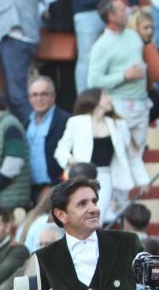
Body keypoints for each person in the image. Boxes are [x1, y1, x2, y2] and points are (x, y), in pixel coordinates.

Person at [12, 177, 141, 290]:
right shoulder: (44, 257)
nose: (93, 208)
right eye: (82, 204)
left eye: (94, 201)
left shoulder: (127, 243)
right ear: (61, 215)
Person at [56, 88, 148, 226]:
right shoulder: (76, 122)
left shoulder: (118, 124)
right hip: (82, 176)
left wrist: (142, 179)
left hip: (106, 176)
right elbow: (61, 150)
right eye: (105, 95)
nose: (110, 99)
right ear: (94, 99)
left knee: (97, 215)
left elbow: (132, 155)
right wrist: (72, 161)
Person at [63, 0, 139, 94]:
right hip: (86, 11)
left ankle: (110, 95)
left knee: (114, 53)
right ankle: (84, 98)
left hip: (110, 11)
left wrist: (135, 3)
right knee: (86, 56)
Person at [87, 0, 150, 159]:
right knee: (120, 158)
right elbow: (93, 80)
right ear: (111, 16)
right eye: (122, 10)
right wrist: (123, 76)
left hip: (141, 104)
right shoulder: (101, 45)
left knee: (137, 158)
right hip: (119, 107)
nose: (127, 12)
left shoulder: (134, 36)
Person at [26, 76, 70, 201]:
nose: (39, 99)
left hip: (57, 189)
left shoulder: (65, 120)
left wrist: (55, 185)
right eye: (34, 95)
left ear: (53, 96)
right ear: (29, 98)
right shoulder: (27, 122)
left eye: (44, 94)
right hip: (30, 190)